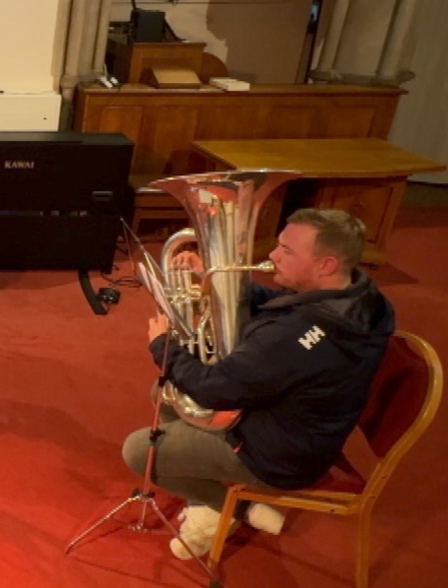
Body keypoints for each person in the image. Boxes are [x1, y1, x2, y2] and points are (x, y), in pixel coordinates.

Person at [122, 209, 394, 559]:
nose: (271, 256)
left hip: (274, 455)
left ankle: (229, 507)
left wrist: (162, 345)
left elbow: (212, 388)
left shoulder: (291, 340)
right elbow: (280, 305)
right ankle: (218, 498)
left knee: (138, 450)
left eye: (286, 251)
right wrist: (214, 279)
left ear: (325, 265)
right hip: (305, 428)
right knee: (166, 394)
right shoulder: (364, 298)